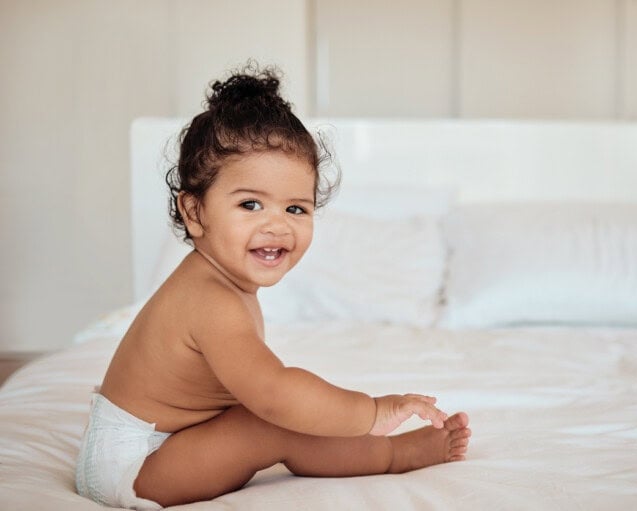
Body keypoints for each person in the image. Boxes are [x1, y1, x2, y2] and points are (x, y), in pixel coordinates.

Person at [75, 64, 471, 509]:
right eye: (250, 204)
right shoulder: (208, 298)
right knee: (270, 421)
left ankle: (387, 450)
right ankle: (394, 452)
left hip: (164, 443)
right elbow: (274, 393)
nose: (276, 225)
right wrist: (372, 411)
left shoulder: (221, 284)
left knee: (274, 415)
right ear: (195, 212)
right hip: (135, 465)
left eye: (296, 209)